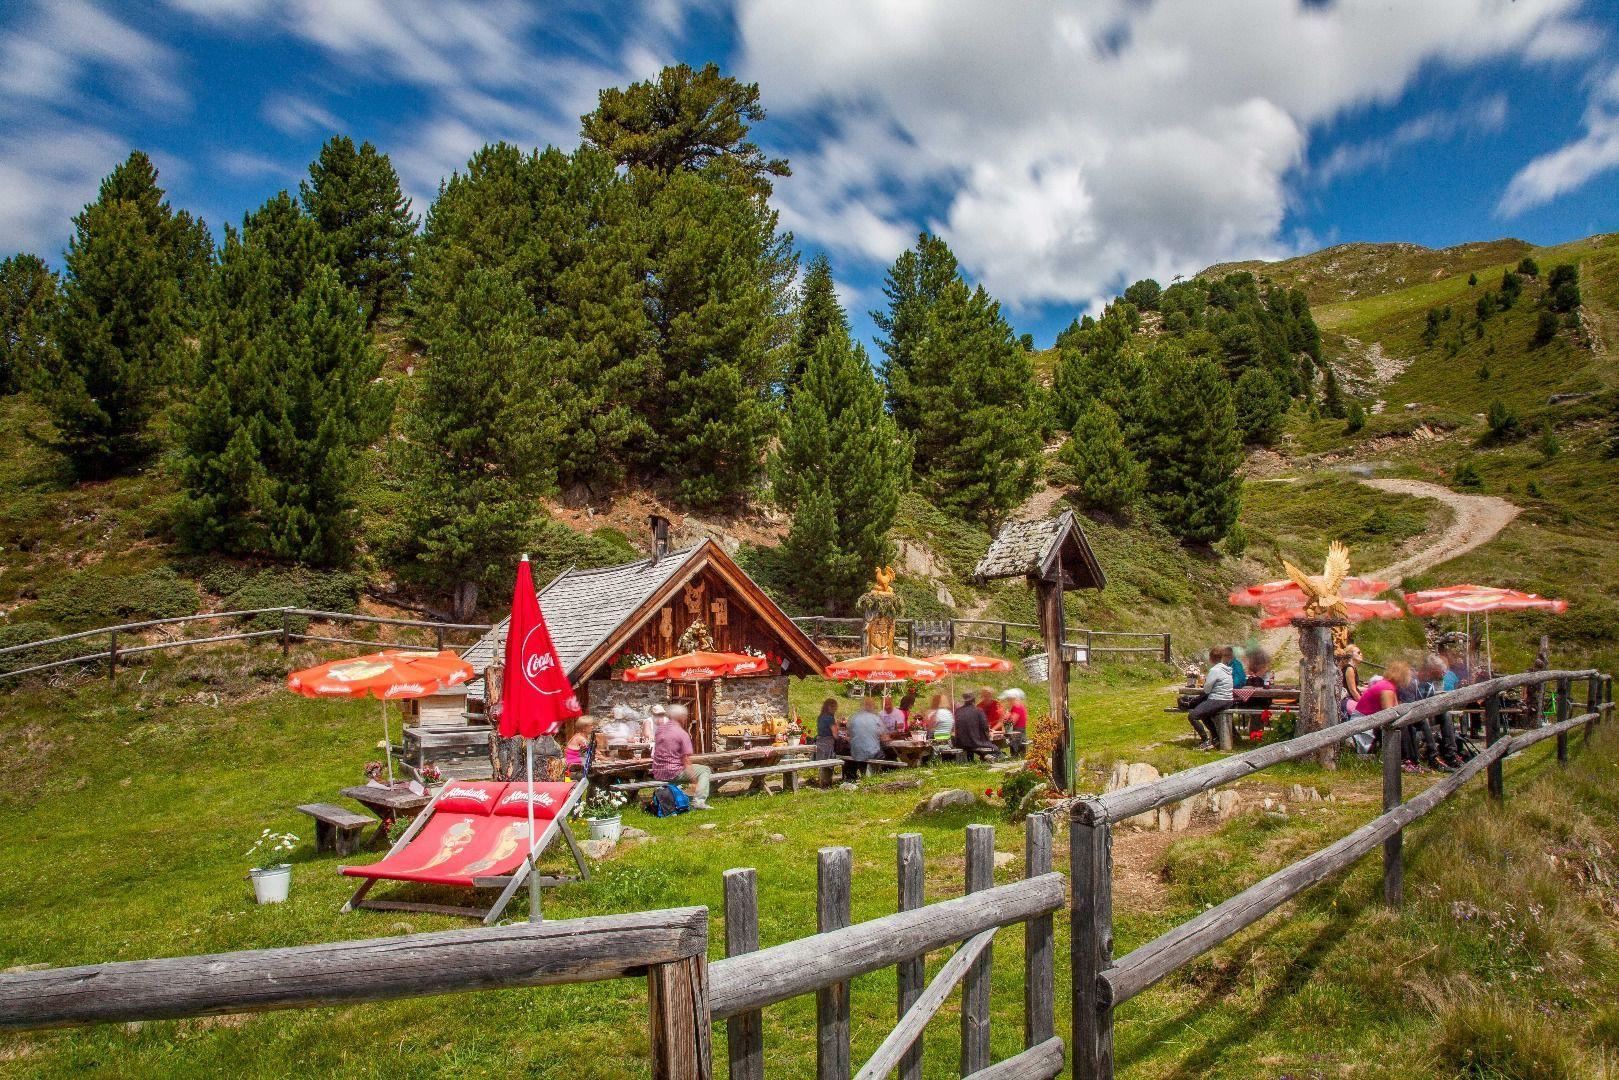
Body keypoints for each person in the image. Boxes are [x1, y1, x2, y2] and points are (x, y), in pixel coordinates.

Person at [651, 703, 711, 810]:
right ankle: (699, 802)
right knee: (705, 770)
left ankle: (677, 797)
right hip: (673, 772)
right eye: (685, 716)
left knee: (691, 770)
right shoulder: (681, 734)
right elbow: (686, 760)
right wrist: (694, 780)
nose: (685, 718)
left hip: (658, 771)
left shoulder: (660, 730)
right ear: (681, 717)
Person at [1187, 647, 1234, 750]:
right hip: (1228, 699)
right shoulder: (1226, 669)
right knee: (1204, 714)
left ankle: (1205, 740)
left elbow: (1207, 689)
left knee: (1193, 716)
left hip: (1218, 699)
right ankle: (1216, 738)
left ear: (1211, 658)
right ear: (1221, 657)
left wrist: (1205, 683)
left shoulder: (1215, 670)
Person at [951, 692, 1000, 760]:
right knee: (996, 749)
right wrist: (988, 735)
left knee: (975, 747)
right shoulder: (978, 710)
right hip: (975, 742)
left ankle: (981, 757)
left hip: (960, 743)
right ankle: (988, 756)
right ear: (974, 700)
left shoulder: (958, 711)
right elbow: (985, 727)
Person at [847, 696, 886, 776]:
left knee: (861, 750)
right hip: (871, 753)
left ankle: (863, 773)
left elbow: (849, 734)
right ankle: (875, 774)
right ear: (871, 707)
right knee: (885, 753)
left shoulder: (854, 718)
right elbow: (884, 736)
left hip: (855, 752)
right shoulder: (876, 718)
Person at [1001, 688, 1028, 758]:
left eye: (1008, 699)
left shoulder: (1017, 707)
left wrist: (1005, 719)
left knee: (1006, 739)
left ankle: (1015, 756)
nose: (1007, 701)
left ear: (1012, 698)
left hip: (1018, 733)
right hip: (1017, 732)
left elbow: (1011, 723)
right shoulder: (1015, 707)